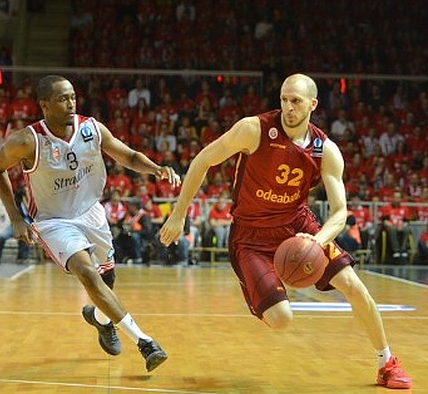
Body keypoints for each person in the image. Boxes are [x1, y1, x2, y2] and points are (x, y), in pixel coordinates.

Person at [159, 74, 412, 389]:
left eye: (296, 101)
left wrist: (316, 242)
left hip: (297, 226)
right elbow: (202, 160)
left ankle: (386, 363)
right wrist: (179, 214)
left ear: (313, 104)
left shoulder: (325, 150)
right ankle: (261, 285)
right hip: (250, 235)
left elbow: (339, 213)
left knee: (354, 286)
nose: (288, 107)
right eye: (284, 99)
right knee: (280, 319)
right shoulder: (253, 129)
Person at [0, 75, 180, 372]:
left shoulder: (92, 128)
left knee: (108, 280)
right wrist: (16, 218)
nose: (71, 104)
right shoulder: (27, 140)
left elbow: (129, 156)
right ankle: (146, 343)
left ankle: (101, 320)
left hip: (91, 212)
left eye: (73, 97)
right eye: (62, 99)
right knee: (88, 273)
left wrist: (156, 169)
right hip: (53, 221)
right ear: (44, 105)